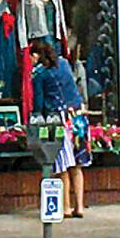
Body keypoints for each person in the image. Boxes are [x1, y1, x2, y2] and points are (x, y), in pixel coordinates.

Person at [28, 38, 90, 217]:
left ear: (36, 55)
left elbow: (39, 102)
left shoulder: (40, 74)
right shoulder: (63, 64)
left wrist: (36, 120)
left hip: (59, 119)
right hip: (78, 116)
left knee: (62, 166)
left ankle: (66, 207)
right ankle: (80, 206)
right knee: (77, 165)